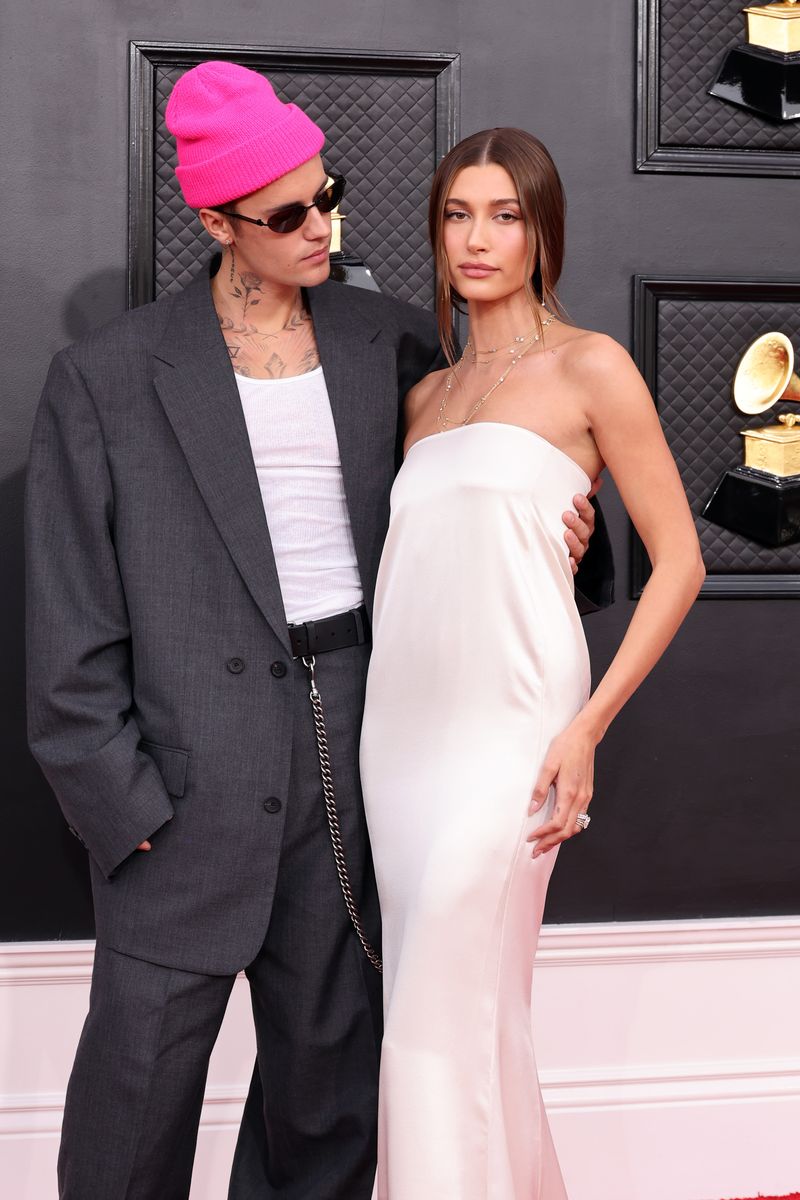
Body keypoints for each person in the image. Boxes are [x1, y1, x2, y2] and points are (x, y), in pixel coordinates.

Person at [25, 64, 608, 1200]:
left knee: (327, 1100)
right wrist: (123, 810)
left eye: (325, 195)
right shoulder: (103, 380)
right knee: (130, 1110)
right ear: (214, 222)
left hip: (363, 753)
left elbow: (488, 483)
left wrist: (566, 532)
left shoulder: (386, 342)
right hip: (176, 785)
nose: (319, 227)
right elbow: (68, 624)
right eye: (287, 214)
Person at [359, 127, 706, 1200]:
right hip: (397, 735)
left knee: (432, 1024)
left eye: (503, 214)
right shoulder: (424, 398)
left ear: (541, 231)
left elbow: (680, 560)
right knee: (463, 1017)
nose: (477, 237)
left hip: (516, 727)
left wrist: (583, 727)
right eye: (458, 214)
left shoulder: (589, 365)